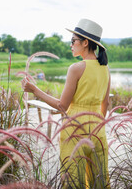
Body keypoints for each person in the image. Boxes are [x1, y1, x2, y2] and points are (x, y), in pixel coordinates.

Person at [22, 18, 111, 188]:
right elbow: (105, 103)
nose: (71, 44)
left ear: (85, 43)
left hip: (74, 129)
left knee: (73, 182)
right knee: (99, 181)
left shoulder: (76, 68)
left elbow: (62, 106)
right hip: (99, 129)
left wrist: (34, 90)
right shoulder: (105, 68)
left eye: (73, 41)